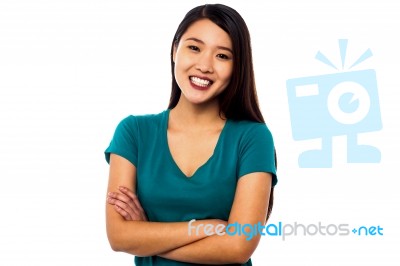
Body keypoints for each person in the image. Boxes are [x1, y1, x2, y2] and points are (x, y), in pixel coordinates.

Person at [104, 3, 277, 265]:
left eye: (223, 56)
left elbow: (239, 247)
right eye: (194, 48)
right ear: (175, 50)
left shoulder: (253, 138)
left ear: (237, 67)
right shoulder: (134, 133)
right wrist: (208, 228)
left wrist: (145, 235)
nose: (205, 66)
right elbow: (118, 236)